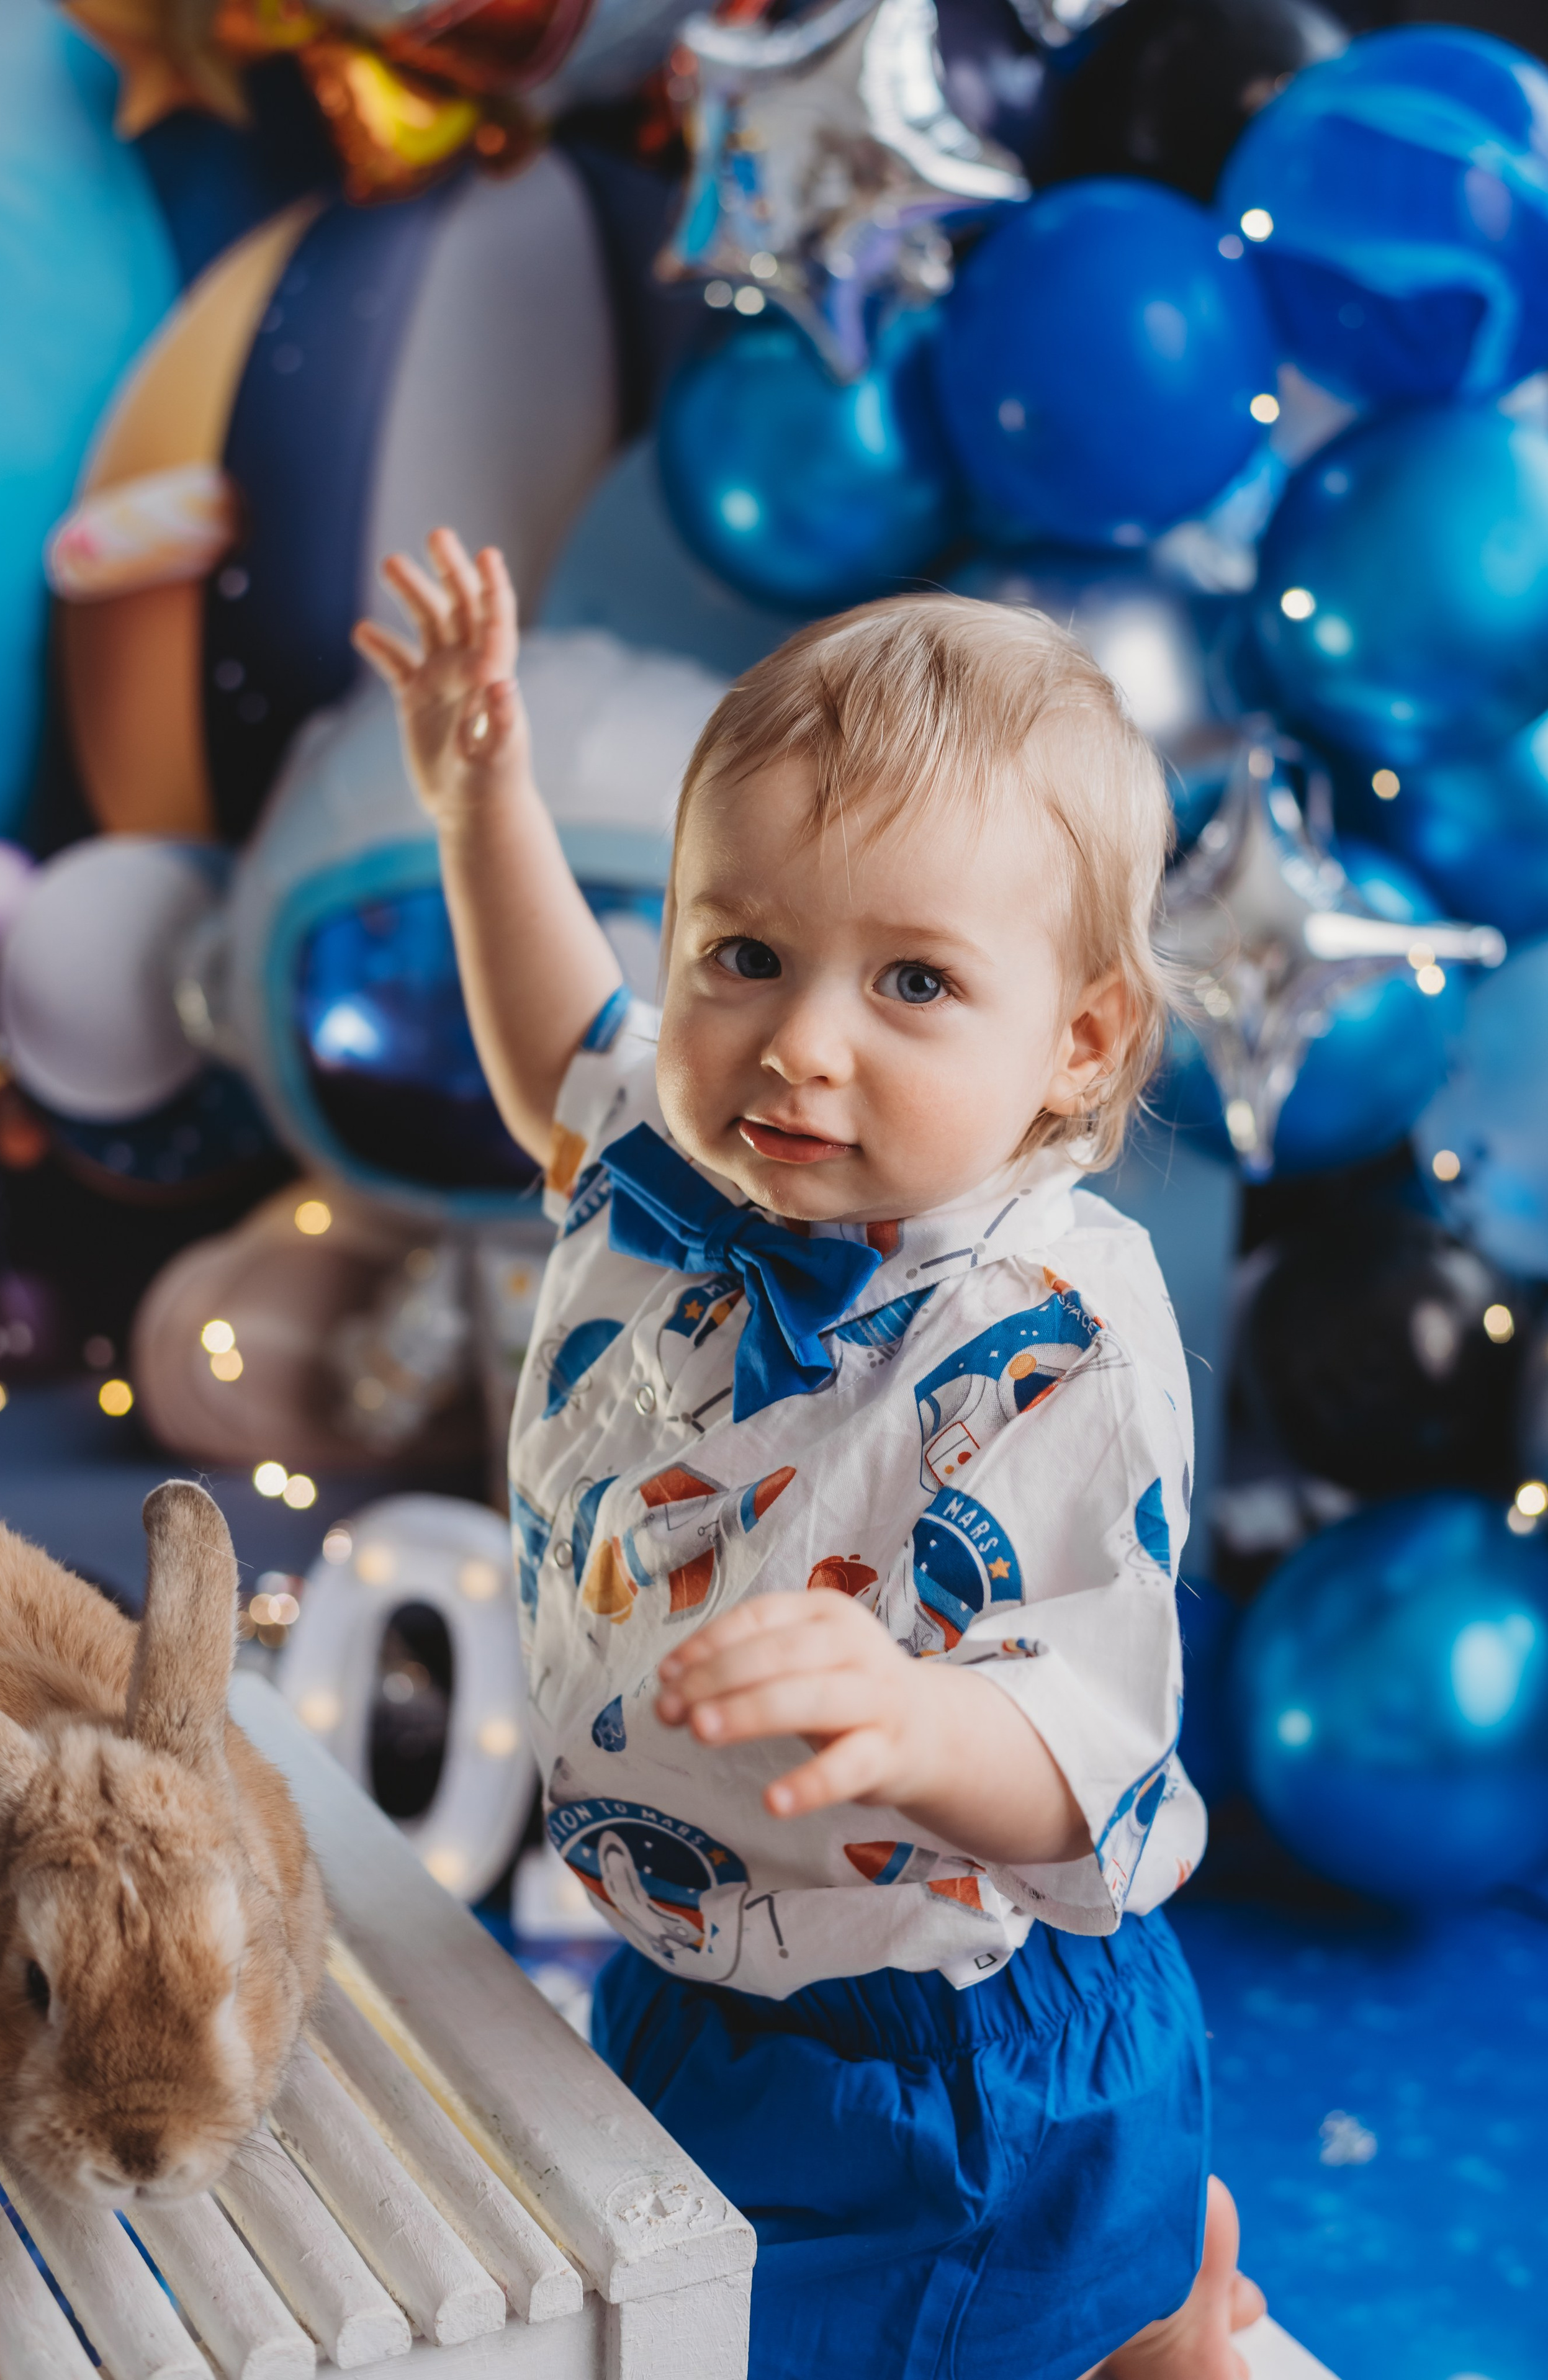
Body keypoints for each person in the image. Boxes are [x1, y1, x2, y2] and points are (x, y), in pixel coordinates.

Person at [356, 532, 1266, 2380]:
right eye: (744, 953)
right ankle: (1167, 2264)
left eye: (913, 983)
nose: (797, 1044)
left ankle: (1169, 2298)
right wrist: (480, 799)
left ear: (1076, 1043)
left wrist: (922, 1722)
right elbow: (567, 1058)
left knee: (911, 2327)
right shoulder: (693, 1173)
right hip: (701, 1963)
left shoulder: (1050, 1330)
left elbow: (1091, 1738)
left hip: (936, 2047)